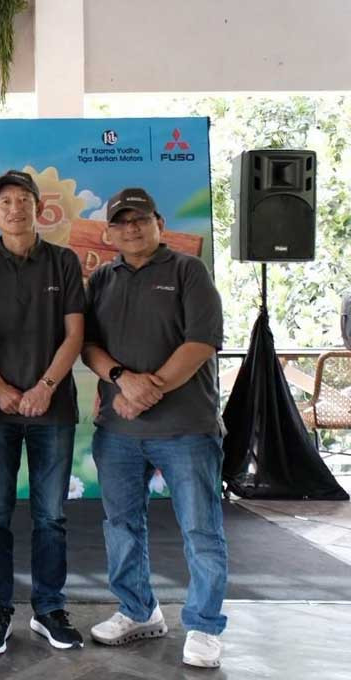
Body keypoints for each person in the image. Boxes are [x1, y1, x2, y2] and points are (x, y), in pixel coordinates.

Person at [81, 187, 228, 669]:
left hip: (187, 429)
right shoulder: (102, 279)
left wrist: (150, 389)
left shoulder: (189, 271)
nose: (131, 229)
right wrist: (122, 380)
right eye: (121, 223)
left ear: (159, 224)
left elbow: (201, 342)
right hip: (118, 432)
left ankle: (204, 625)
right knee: (121, 526)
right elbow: (88, 346)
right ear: (109, 232)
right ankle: (138, 610)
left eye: (140, 220)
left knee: (201, 529)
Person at [0, 170, 85, 653]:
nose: (16, 209)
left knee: (51, 516)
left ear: (40, 208)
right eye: (6, 202)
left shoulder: (63, 261)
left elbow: (75, 334)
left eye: (24, 200)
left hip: (53, 410)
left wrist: (45, 387)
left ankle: (49, 609)